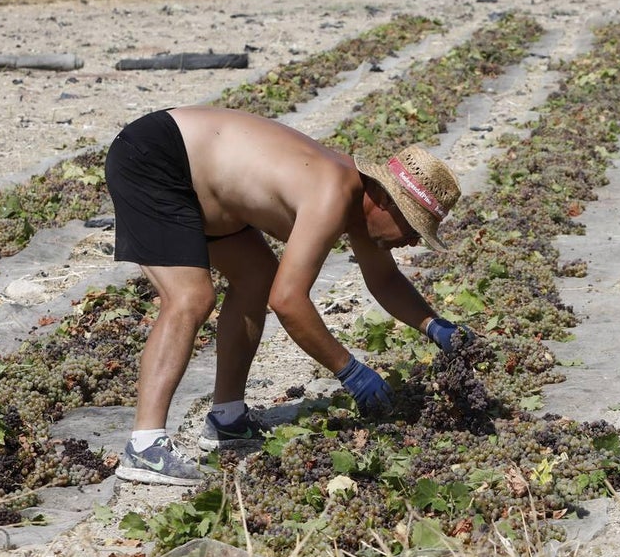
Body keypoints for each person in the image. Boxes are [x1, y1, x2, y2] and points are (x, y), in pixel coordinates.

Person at [104, 106, 470, 486]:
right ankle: (144, 446)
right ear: (386, 202)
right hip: (158, 157)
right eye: (413, 228)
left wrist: (435, 326)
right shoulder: (331, 193)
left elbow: (385, 280)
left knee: (256, 276)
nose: (412, 240)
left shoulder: (365, 208)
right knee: (191, 298)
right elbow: (289, 301)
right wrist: (350, 371)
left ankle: (226, 419)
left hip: (206, 190)